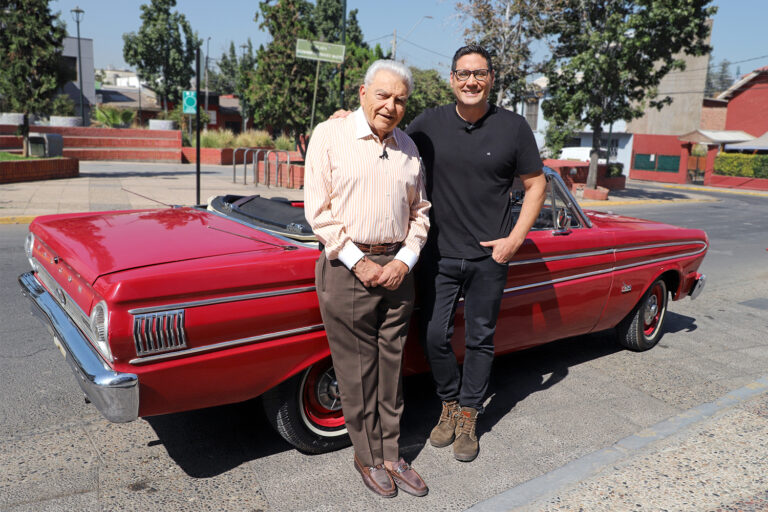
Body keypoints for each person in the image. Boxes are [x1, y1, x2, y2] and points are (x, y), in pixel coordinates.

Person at [406, 45, 547, 463]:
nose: (471, 81)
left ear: (490, 79)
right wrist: (348, 121)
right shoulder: (427, 124)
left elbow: (536, 184)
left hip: (490, 257)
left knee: (482, 339)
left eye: (479, 74)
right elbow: (387, 141)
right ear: (451, 79)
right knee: (434, 335)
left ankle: (469, 415)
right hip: (438, 253)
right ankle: (448, 402)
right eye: (463, 74)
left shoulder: (514, 127)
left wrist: (514, 240)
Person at [304, 60, 431, 498]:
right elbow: (318, 211)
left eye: (399, 99)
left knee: (392, 369)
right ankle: (367, 456)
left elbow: (421, 213)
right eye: (383, 95)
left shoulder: (409, 148)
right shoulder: (330, 135)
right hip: (346, 268)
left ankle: (392, 454)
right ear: (362, 93)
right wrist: (361, 263)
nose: (391, 105)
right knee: (356, 372)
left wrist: (406, 260)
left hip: (398, 271)